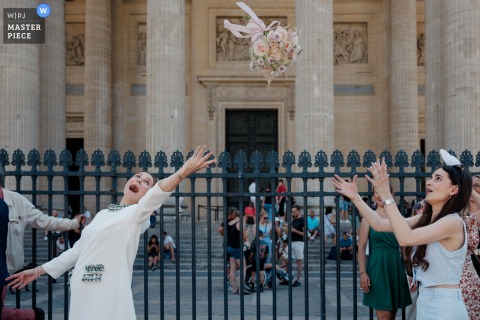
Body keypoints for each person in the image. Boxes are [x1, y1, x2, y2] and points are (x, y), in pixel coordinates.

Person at [7, 145, 215, 320]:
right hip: (82, 288)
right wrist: (38, 271)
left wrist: (182, 172)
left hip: (107, 290)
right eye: (137, 177)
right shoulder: (103, 214)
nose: (139, 181)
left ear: (148, 193)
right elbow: (77, 250)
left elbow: (156, 196)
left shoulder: (137, 215)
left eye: (146, 182)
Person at [332, 149, 471, 319]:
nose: (429, 182)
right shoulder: (426, 218)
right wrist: (356, 198)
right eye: (431, 177)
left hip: (445, 305)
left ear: (454, 189)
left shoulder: (453, 222)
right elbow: (379, 224)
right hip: (428, 300)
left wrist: (385, 194)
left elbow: (406, 238)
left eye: (438, 179)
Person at [357, 187, 412, 319]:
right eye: (377, 192)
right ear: (373, 195)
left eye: (384, 191)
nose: (380, 195)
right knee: (384, 315)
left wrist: (409, 269)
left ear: (391, 194)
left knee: (392, 314)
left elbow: (404, 245)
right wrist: (363, 273)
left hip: (395, 266)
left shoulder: (399, 218)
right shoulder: (368, 219)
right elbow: (361, 247)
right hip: (377, 266)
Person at [222, 207, 249, 295]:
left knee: (233, 267)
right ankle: (241, 289)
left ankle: (234, 289)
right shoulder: (240, 223)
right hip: (237, 247)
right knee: (243, 267)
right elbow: (245, 237)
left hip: (229, 247)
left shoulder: (229, 222)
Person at [290, 205, 304, 287]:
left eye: (294, 211)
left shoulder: (302, 220)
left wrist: (294, 230)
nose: (293, 213)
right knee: (287, 259)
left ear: (298, 211)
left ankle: (298, 280)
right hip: (292, 242)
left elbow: (304, 233)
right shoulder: (293, 220)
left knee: (299, 261)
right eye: (292, 211)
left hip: (299, 242)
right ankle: (287, 277)